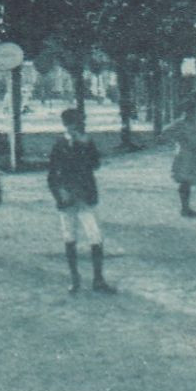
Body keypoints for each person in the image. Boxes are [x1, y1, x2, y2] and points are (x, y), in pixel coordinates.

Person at [47, 107, 115, 294]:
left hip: (85, 196)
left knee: (95, 236)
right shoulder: (59, 144)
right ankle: (75, 279)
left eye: (79, 123)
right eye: (74, 123)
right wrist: (59, 194)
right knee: (69, 238)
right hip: (66, 197)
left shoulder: (87, 142)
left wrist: (86, 145)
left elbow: (95, 165)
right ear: (66, 124)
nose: (77, 127)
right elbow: (52, 175)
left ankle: (98, 280)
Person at [164, 103, 196, 218]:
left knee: (189, 181)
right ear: (187, 112)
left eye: (195, 113)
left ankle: (186, 207)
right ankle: (184, 208)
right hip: (185, 155)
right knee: (185, 181)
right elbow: (166, 132)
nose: (194, 115)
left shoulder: (195, 124)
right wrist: (179, 139)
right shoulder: (180, 123)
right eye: (192, 112)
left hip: (194, 155)